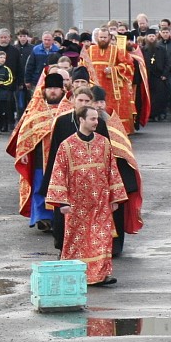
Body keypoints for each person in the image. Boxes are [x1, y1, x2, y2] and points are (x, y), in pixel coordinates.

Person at [45, 106, 127, 287]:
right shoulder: (66, 146)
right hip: (76, 204)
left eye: (97, 119)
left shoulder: (104, 143)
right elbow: (58, 174)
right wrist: (62, 202)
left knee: (102, 237)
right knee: (77, 240)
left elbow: (112, 171)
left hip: (100, 201)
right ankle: (76, 274)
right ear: (81, 120)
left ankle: (102, 274)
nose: (96, 122)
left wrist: (115, 198)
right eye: (92, 119)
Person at [8, 71, 69, 231]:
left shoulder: (69, 109)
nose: (53, 91)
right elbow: (25, 132)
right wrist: (24, 153)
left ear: (63, 90)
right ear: (44, 90)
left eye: (56, 88)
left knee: (61, 187)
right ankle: (42, 218)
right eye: (50, 88)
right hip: (40, 158)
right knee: (39, 187)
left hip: (62, 157)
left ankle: (60, 218)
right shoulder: (35, 111)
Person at [90, 86, 144, 257]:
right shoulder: (84, 122)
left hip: (116, 174)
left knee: (117, 211)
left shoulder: (112, 121)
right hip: (93, 174)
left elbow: (124, 148)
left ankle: (115, 246)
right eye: (95, 102)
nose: (99, 105)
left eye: (101, 102)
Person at [80, 28, 137, 133]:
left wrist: (113, 69)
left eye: (105, 37)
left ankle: (116, 130)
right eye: (100, 37)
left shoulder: (117, 50)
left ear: (109, 38)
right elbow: (83, 66)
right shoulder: (90, 50)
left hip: (112, 88)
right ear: (97, 38)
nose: (102, 39)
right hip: (94, 87)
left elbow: (128, 66)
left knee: (111, 109)